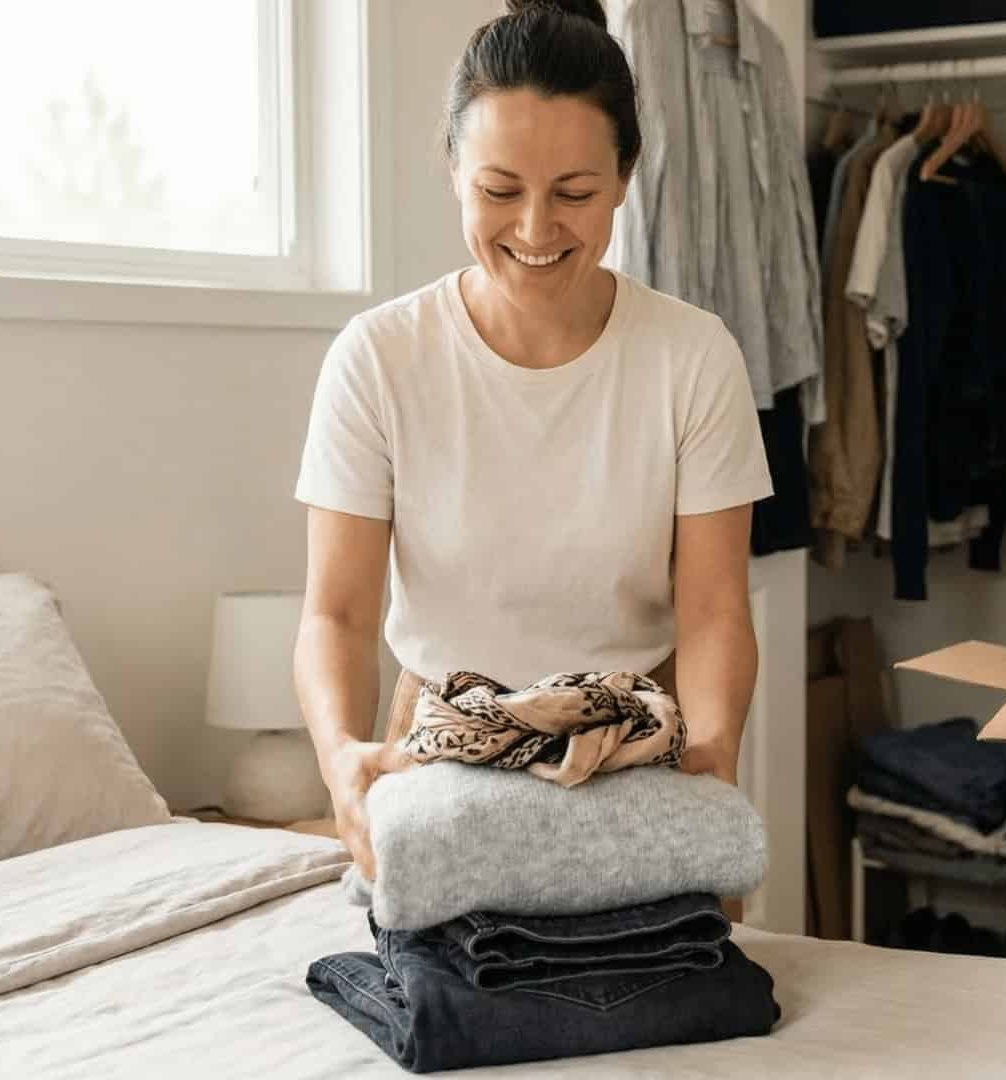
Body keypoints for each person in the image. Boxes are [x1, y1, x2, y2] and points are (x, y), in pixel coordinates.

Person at [292, 0, 773, 881]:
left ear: (625, 176)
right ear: (453, 170)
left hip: (635, 748)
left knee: (672, 972)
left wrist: (713, 754)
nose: (536, 229)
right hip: (441, 753)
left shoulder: (694, 355)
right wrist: (339, 756)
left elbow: (712, 608)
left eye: (575, 193)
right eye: (500, 191)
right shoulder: (379, 357)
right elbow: (338, 613)